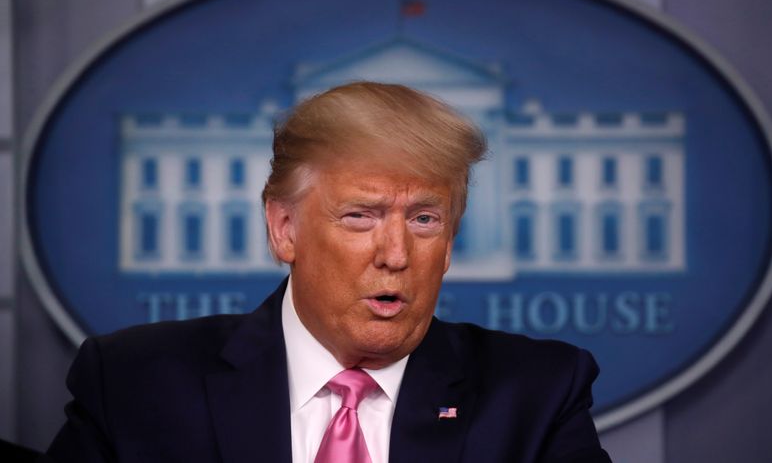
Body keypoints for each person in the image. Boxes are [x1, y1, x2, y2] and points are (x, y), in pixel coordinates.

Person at [45, 82, 611, 462]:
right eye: (361, 216)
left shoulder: (537, 394)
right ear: (284, 229)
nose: (395, 254)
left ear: (449, 240)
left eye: (424, 218)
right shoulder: (132, 383)